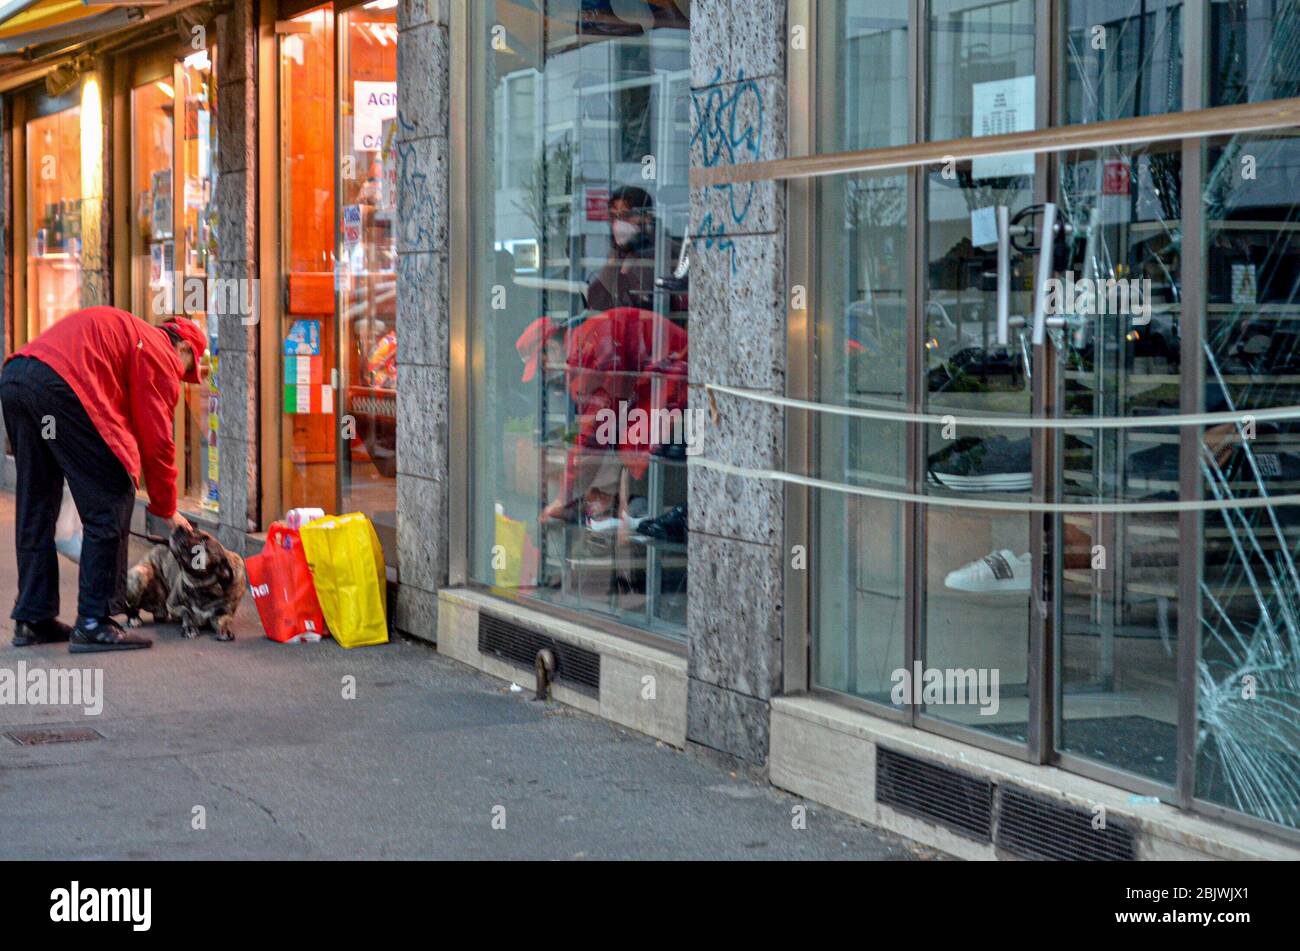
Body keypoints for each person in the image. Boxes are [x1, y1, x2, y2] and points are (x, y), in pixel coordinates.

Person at [1, 307, 207, 653]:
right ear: (185, 348)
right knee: (112, 493)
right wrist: (167, 509)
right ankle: (96, 621)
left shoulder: (130, 335)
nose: (183, 378)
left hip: (18, 378)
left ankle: (33, 617)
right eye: (188, 370)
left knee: (37, 500)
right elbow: (158, 442)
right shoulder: (160, 352)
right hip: (59, 385)